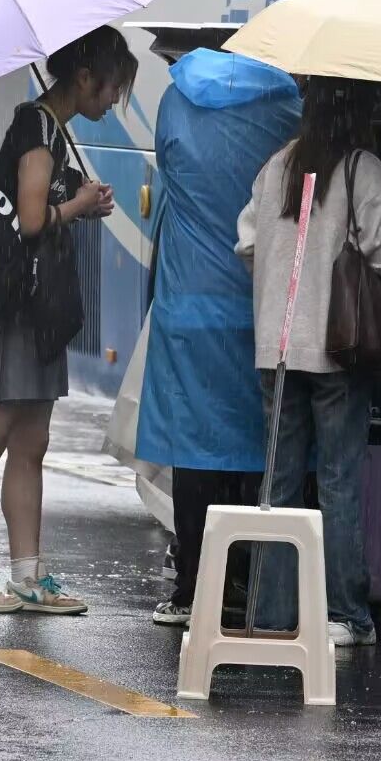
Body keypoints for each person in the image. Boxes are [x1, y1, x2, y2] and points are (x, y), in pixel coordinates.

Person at [0, 27, 135, 614]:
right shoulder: (36, 126)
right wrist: (78, 206)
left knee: (30, 444)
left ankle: (28, 574)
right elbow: (29, 219)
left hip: (36, 309)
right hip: (14, 309)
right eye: (112, 88)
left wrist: (78, 200)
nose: (114, 100)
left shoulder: (51, 128)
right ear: (85, 77)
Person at [236, 77, 381, 649]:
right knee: (338, 483)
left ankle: (271, 613)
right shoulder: (362, 168)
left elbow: (246, 244)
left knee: (279, 484)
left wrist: (283, 278)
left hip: (278, 348)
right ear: (359, 112)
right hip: (337, 350)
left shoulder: (278, 165)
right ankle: (345, 615)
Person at [137, 48, 302, 626]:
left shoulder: (174, 101)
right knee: (259, 447)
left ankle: (191, 589)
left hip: (188, 304)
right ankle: (251, 585)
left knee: (194, 450)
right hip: (258, 301)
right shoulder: (287, 108)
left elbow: (170, 170)